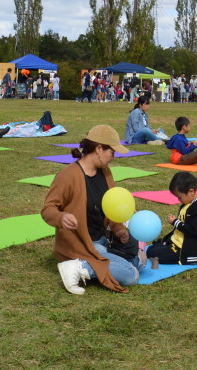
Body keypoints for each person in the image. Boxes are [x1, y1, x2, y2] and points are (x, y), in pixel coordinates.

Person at [42, 125, 143, 293]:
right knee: (131, 274)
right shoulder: (68, 176)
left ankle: (90, 265)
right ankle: (79, 266)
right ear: (98, 149)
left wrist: (118, 229)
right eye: (112, 152)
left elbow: (112, 207)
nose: (114, 157)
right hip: (82, 244)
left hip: (103, 240)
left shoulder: (106, 173)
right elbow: (47, 209)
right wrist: (61, 217)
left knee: (138, 263)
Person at [146, 171, 197, 265]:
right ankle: (165, 245)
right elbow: (184, 223)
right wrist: (177, 221)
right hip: (176, 242)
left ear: (191, 191)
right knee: (152, 248)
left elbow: (192, 230)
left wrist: (176, 222)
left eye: (180, 197)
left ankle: (169, 251)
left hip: (185, 250)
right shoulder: (187, 204)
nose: (179, 200)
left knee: (151, 252)